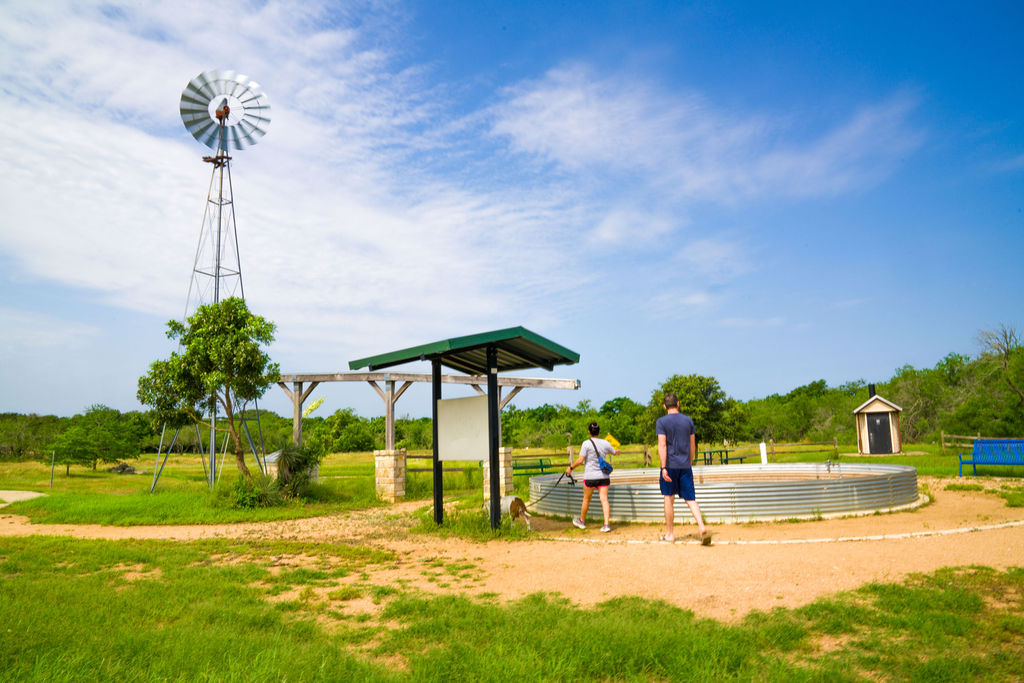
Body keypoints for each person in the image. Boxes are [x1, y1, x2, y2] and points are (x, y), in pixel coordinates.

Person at [657, 392, 711, 545]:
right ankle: (701, 527)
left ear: (664, 406)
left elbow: (662, 445)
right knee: (690, 499)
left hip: (669, 465)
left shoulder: (661, 422)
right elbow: (693, 445)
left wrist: (663, 468)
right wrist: (690, 461)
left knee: (668, 497)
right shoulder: (688, 420)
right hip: (685, 465)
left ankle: (670, 535)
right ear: (678, 404)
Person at [565, 421, 619, 532]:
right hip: (603, 476)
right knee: (604, 500)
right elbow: (614, 452)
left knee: (586, 500)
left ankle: (582, 522)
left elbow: (580, 460)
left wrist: (571, 468)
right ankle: (606, 525)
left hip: (590, 477)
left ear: (589, 432)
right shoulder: (605, 443)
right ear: (599, 431)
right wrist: (618, 451)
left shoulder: (586, 444)